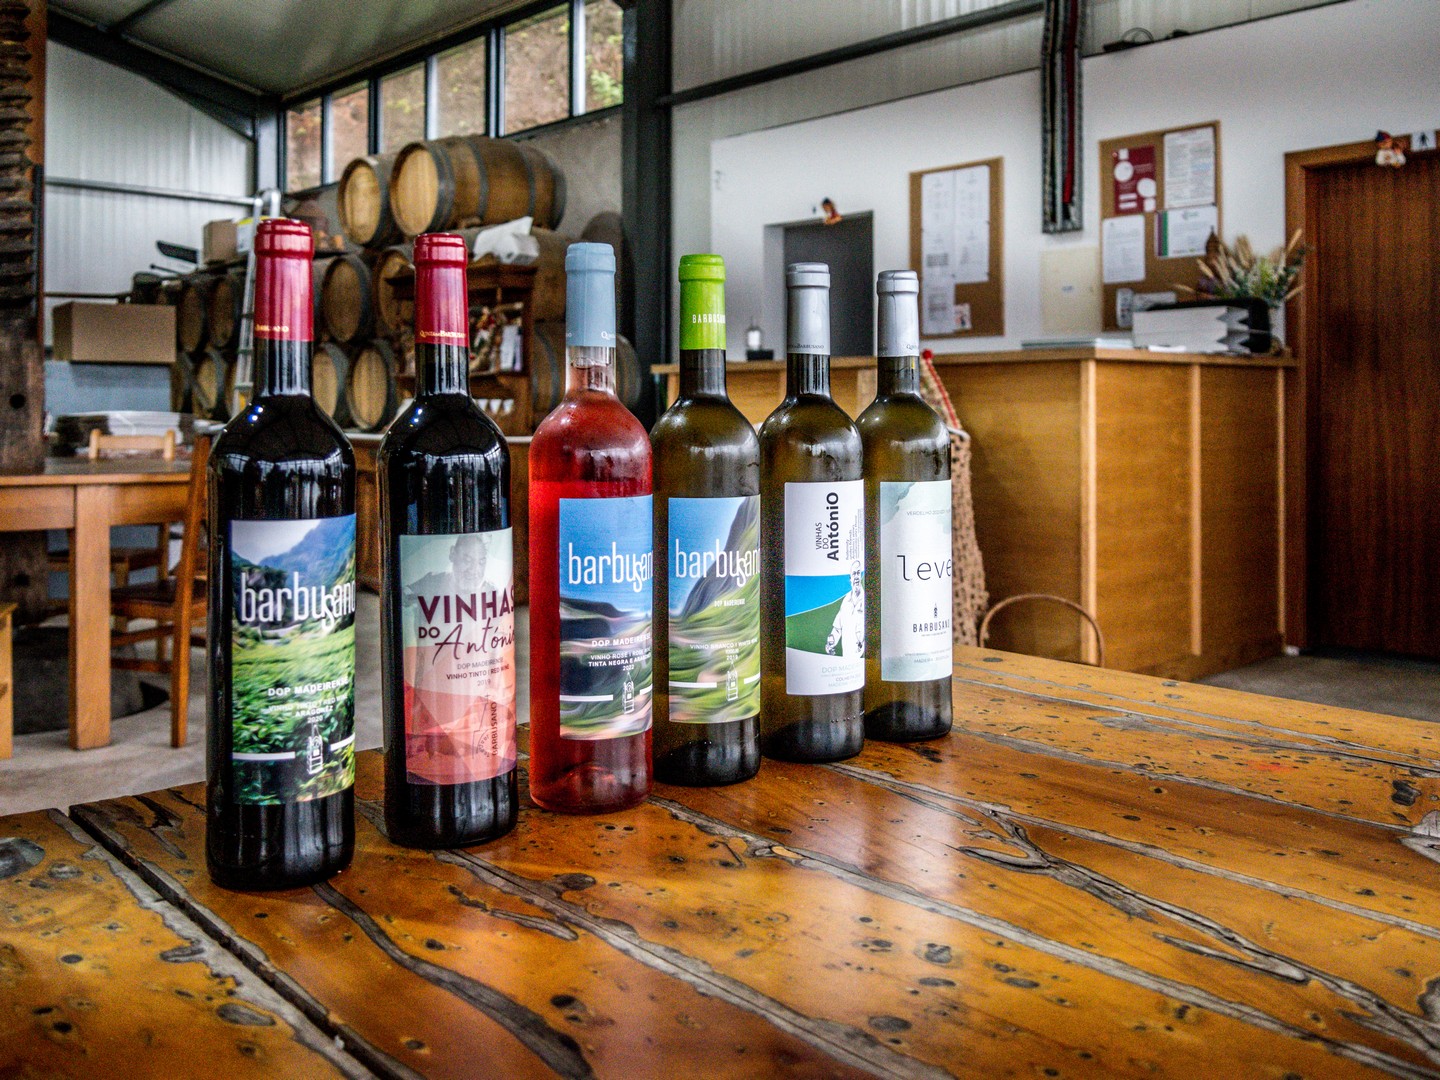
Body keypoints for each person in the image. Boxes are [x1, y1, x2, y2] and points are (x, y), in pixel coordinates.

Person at [826, 561, 865, 658]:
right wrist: (831, 644)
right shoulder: (846, 601)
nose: (856, 577)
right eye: (854, 573)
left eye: (858, 573)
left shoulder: (867, 599)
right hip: (846, 656)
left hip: (861, 657)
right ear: (850, 578)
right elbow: (837, 628)